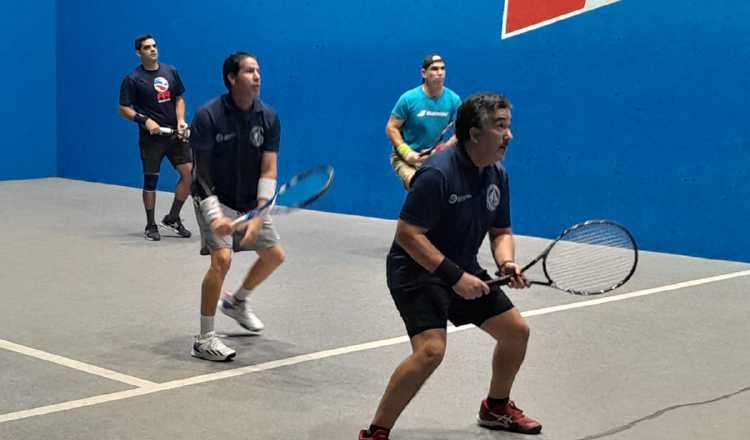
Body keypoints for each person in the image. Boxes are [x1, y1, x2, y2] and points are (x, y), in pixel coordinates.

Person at [359, 93, 542, 439]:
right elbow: (408, 235)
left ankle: (496, 408)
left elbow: (501, 230)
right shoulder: (437, 174)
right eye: (500, 126)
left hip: (462, 267)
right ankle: (376, 432)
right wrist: (455, 277)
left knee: (516, 331)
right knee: (430, 351)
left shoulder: (497, 175)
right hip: (415, 271)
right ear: (475, 134)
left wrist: (506, 262)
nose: (509, 135)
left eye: (509, 126)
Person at [189, 52, 285, 361]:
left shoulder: (268, 117)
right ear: (232, 78)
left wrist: (259, 215)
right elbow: (200, 174)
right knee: (222, 259)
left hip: (248, 201)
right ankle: (204, 339)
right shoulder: (208, 115)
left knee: (273, 256)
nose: (257, 76)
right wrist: (216, 217)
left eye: (258, 70)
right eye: (249, 71)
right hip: (212, 195)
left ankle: (237, 302)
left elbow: (268, 170)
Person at [118, 34, 192, 241]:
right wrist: (145, 121)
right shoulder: (132, 79)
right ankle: (150, 225)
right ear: (138, 52)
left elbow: (179, 99)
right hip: (151, 140)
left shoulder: (171, 72)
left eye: (154, 46)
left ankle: (173, 218)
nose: (153, 49)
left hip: (175, 135)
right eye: (147, 47)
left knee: (188, 174)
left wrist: (181, 121)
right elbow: (123, 108)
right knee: (151, 181)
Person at [386, 53, 461, 190]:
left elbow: (459, 132)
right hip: (404, 159)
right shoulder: (408, 99)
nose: (440, 73)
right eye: (434, 69)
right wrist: (407, 153)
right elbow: (391, 127)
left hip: (435, 159)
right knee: (419, 186)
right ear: (424, 73)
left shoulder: (454, 100)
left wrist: (441, 149)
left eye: (443, 69)